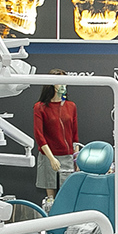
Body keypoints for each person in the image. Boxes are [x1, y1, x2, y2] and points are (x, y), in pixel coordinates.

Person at [33, 68, 79, 211]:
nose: (63, 85)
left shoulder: (71, 106)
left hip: (67, 156)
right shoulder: (40, 107)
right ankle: (50, 220)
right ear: (51, 84)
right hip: (49, 156)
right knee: (50, 200)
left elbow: (75, 134)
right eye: (60, 82)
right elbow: (39, 136)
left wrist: (76, 158)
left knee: (67, 196)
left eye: (65, 81)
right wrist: (51, 158)